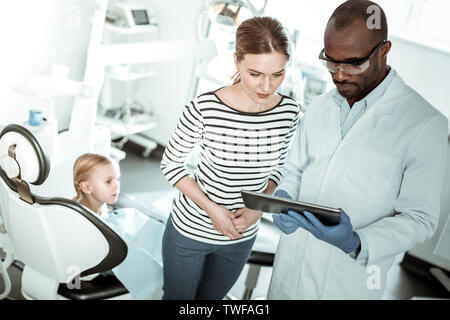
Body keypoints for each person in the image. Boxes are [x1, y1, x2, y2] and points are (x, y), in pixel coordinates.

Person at [268, 0, 449, 300]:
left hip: (347, 283)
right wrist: (283, 198)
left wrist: (355, 242)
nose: (339, 75)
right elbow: (294, 170)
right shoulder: (320, 105)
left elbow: (420, 218)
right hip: (289, 271)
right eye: (331, 62)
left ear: (383, 50)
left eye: (354, 63)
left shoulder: (425, 124)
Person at [160, 16, 300, 300]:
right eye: (255, 74)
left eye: (277, 74)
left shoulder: (289, 112)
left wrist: (258, 208)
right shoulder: (203, 108)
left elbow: (281, 169)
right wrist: (213, 209)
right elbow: (171, 165)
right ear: (237, 61)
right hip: (190, 230)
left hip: (241, 236)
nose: (266, 86)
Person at [73, 153, 164, 299]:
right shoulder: (84, 221)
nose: (117, 186)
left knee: (133, 218)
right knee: (146, 263)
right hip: (91, 267)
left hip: (101, 251)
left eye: (117, 179)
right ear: (86, 187)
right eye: (109, 181)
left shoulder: (90, 208)